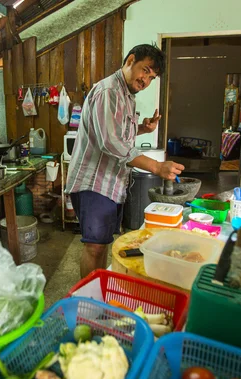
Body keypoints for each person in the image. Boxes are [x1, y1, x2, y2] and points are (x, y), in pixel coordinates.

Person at [66, 44, 185, 278]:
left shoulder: (126, 95)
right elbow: (110, 142)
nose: (146, 81)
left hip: (110, 184)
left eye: (152, 77)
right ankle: (88, 299)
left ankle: (97, 293)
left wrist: (142, 128)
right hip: (94, 183)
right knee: (95, 246)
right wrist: (157, 166)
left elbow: (117, 133)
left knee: (102, 244)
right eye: (145, 71)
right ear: (130, 60)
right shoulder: (108, 91)